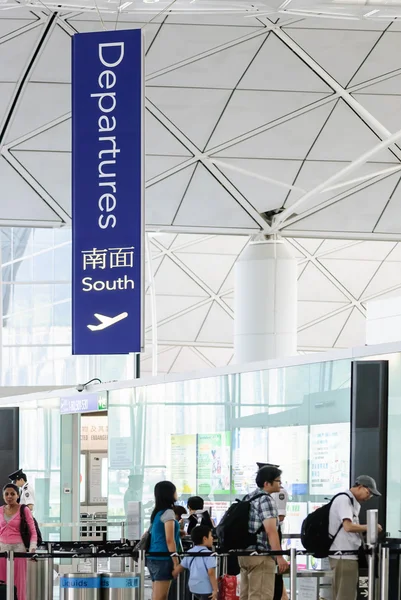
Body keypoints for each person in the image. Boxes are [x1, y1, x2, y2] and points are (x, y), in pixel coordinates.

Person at [239, 465, 289, 600]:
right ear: (267, 483)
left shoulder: (248, 497)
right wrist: (279, 556)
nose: (280, 484)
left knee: (245, 595)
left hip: (244, 555)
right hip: (261, 556)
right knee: (261, 596)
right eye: (278, 481)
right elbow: (271, 530)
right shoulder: (266, 499)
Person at [329, 475, 382, 600]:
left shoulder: (351, 501)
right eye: (368, 493)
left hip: (345, 555)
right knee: (346, 595)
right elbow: (348, 526)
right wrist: (370, 526)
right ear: (360, 487)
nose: (368, 497)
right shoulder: (344, 499)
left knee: (344, 594)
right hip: (344, 556)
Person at [0, 483, 37, 600]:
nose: (9, 496)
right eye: (6, 494)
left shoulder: (24, 509)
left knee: (19, 583)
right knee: (2, 582)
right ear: (3, 496)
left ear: (18, 495)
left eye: (12, 494)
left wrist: (32, 549)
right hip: (2, 551)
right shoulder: (0, 510)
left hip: (19, 550)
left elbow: (33, 531)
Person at [147, 481, 181, 600]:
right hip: (163, 558)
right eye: (175, 491)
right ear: (170, 494)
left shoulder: (157, 513)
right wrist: (176, 561)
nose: (177, 493)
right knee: (161, 597)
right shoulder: (169, 513)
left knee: (156, 594)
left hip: (153, 557)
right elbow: (169, 540)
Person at [173, 525, 218, 600]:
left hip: (193, 588)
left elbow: (180, 568)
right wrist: (215, 589)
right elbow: (211, 573)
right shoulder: (209, 554)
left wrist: (173, 573)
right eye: (211, 536)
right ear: (205, 538)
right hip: (206, 588)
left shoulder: (189, 552)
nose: (212, 538)